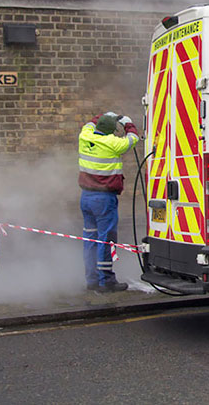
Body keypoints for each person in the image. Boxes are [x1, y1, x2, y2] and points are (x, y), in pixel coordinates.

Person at [78, 111, 140, 292]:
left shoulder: (85, 136)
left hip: (86, 197)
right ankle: (107, 281)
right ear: (111, 132)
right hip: (104, 199)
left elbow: (89, 123)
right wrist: (127, 123)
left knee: (90, 238)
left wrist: (105, 115)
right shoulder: (112, 143)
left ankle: (91, 280)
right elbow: (133, 138)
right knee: (106, 239)